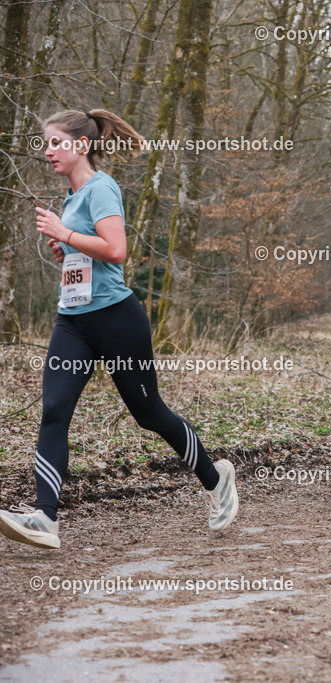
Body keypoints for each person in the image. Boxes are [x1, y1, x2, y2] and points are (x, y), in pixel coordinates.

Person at [0, 109, 238, 549]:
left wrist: (66, 235)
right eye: (46, 143)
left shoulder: (101, 188)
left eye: (55, 142)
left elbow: (116, 250)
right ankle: (44, 518)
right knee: (53, 410)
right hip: (72, 321)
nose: (48, 150)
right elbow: (91, 257)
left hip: (115, 319)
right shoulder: (72, 200)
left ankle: (215, 477)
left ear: (82, 145)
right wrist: (66, 252)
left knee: (148, 414)